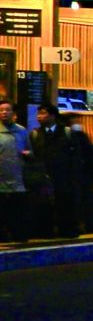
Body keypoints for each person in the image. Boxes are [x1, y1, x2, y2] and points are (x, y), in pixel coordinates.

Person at [34, 105, 93, 240]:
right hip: (44, 177)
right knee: (45, 206)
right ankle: (46, 232)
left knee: (65, 205)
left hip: (64, 178)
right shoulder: (36, 134)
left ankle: (67, 230)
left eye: (43, 113)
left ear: (53, 116)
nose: (39, 116)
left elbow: (78, 156)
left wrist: (75, 176)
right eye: (38, 113)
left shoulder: (67, 133)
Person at [0, 102, 31, 246]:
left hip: (18, 178)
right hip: (1, 178)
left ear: (13, 113)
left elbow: (30, 151)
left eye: (7, 110)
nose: (4, 112)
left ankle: (18, 235)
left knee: (17, 210)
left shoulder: (22, 131)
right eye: (1, 110)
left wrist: (28, 154)